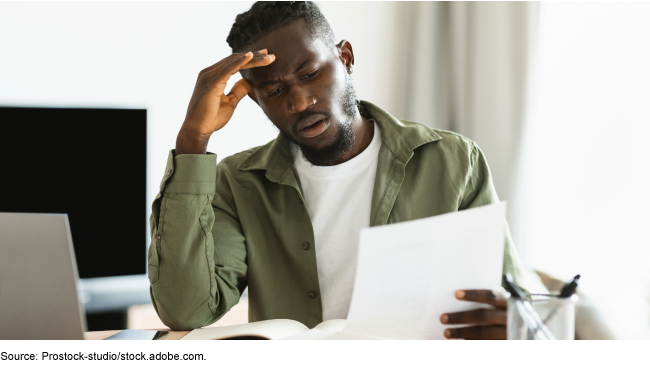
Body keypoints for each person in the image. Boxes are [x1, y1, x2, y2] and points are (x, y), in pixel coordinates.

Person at [148, 1, 528, 340]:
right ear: (256, 99)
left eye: (310, 73)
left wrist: (514, 322)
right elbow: (187, 310)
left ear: (345, 57)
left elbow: (513, 303)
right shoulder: (237, 182)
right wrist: (193, 140)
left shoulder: (453, 160)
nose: (299, 102)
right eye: (275, 92)